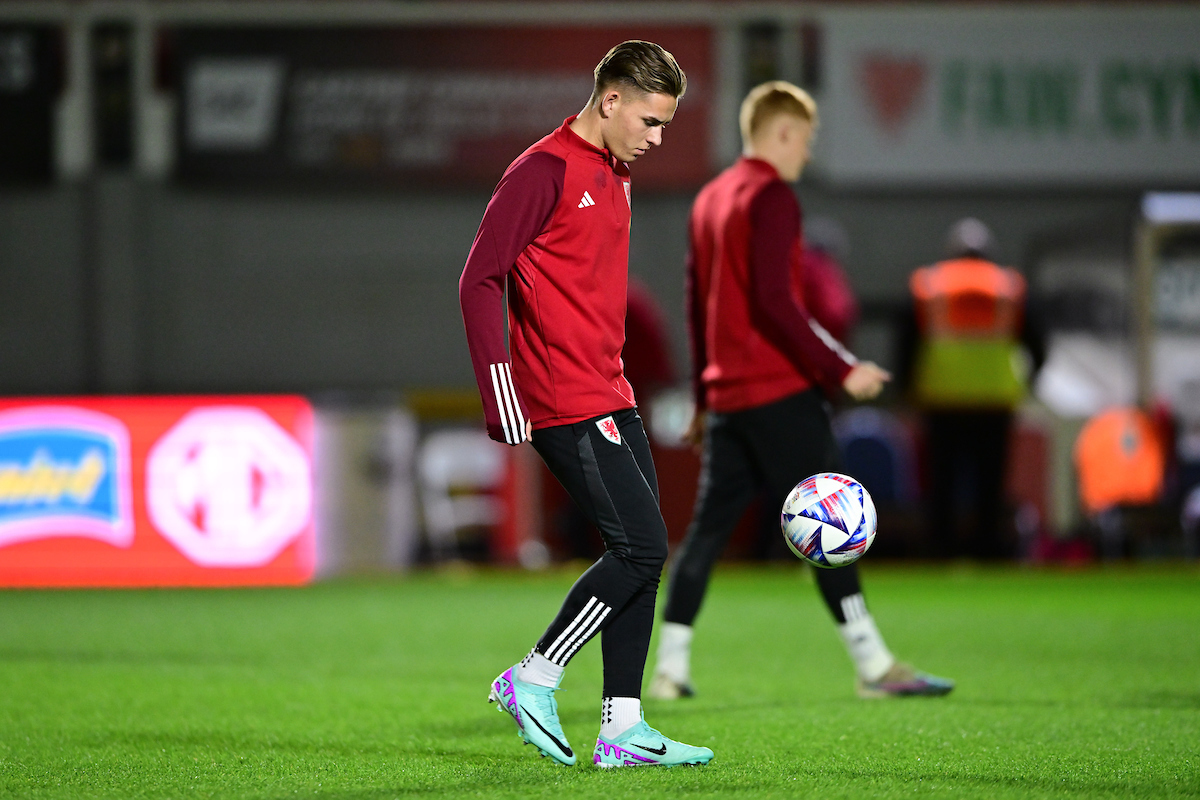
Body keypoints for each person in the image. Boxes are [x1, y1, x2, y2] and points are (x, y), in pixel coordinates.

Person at [649, 81, 954, 701]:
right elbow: (776, 302)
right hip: (779, 395)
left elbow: (696, 305)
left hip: (729, 398)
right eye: (806, 140)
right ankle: (874, 665)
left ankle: (669, 670)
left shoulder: (710, 199)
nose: (807, 154)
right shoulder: (773, 197)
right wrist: (841, 368)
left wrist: (704, 398)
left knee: (706, 534)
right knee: (834, 523)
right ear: (783, 132)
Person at [458, 41, 713, 769]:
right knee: (643, 548)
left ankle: (622, 727)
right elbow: (478, 279)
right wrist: (500, 389)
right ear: (610, 99)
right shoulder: (542, 171)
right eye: (650, 121)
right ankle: (533, 678)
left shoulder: (615, 171)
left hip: (610, 390)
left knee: (642, 556)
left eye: (665, 125)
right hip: (562, 397)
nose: (656, 138)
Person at [897, 218, 1043, 559]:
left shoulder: (930, 284)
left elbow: (907, 343)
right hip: (994, 401)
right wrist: (1027, 381)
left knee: (941, 482)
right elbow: (1038, 345)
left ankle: (940, 550)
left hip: (942, 400)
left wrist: (906, 388)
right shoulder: (1008, 286)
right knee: (990, 483)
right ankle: (988, 551)